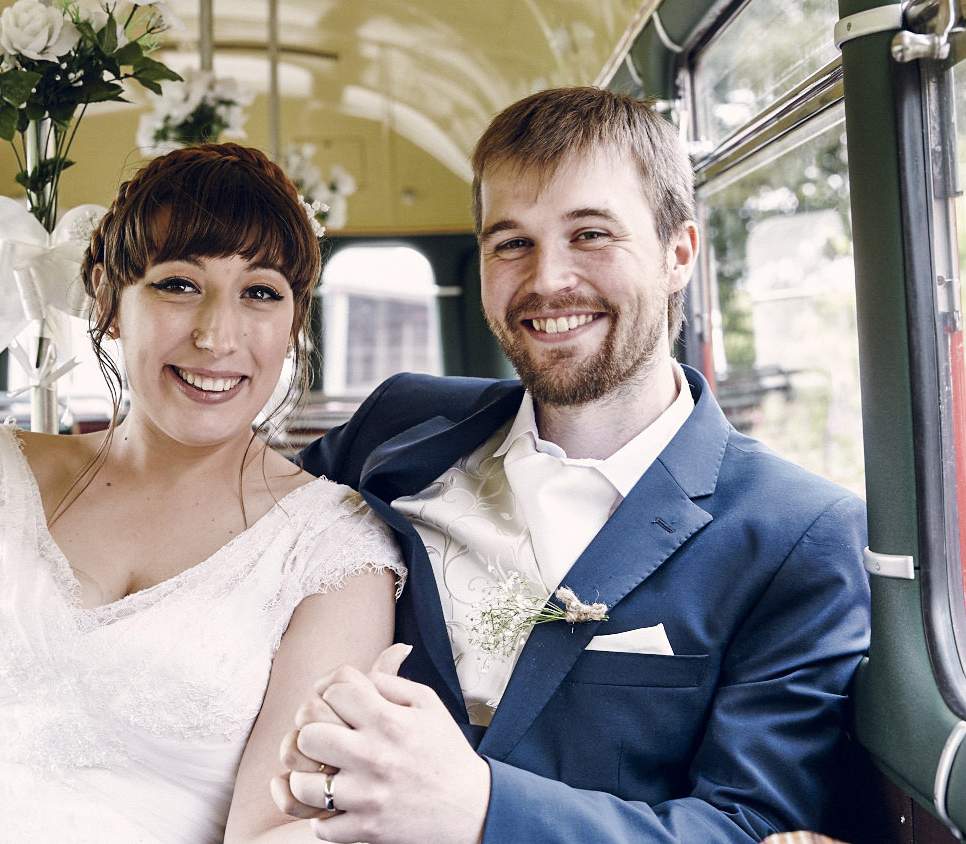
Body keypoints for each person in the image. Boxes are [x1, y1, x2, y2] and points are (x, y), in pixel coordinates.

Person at [274, 87, 871, 843]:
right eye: (511, 243)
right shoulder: (399, 425)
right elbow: (235, 533)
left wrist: (482, 810)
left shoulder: (799, 534)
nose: (548, 279)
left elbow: (750, 826)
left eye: (590, 234)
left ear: (678, 253)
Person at [0, 143, 405, 844]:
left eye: (260, 293)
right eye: (178, 284)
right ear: (107, 299)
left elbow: (274, 833)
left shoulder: (334, 551)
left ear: (292, 325)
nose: (217, 335)